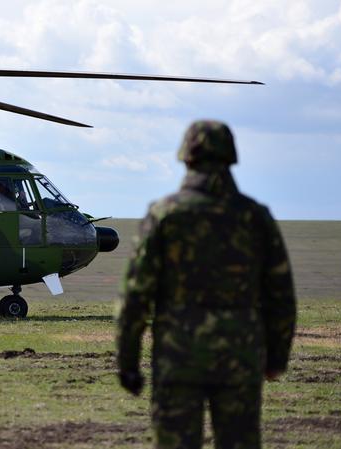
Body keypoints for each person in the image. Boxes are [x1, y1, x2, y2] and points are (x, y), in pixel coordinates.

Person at [116, 120, 297, 449]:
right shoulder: (255, 217)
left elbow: (136, 294)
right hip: (239, 357)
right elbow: (281, 295)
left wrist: (128, 362)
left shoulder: (164, 215)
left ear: (186, 157)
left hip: (178, 356)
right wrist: (276, 358)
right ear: (231, 157)